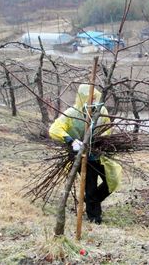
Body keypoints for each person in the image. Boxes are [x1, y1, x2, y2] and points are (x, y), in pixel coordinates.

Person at [49, 84, 121, 224]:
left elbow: (107, 128)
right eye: (89, 98)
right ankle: (94, 217)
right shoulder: (72, 113)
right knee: (90, 185)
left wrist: (101, 139)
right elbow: (54, 129)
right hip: (83, 157)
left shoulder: (101, 110)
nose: (93, 100)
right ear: (82, 98)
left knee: (113, 179)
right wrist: (70, 140)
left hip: (99, 154)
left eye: (94, 97)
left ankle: (90, 200)